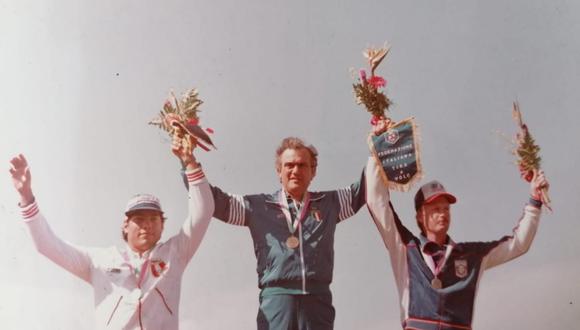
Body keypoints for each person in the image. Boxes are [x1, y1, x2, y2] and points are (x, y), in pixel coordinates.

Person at [8, 133, 214, 330]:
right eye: (139, 219)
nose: (147, 225)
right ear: (125, 225)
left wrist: (189, 161)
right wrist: (26, 196)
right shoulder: (99, 260)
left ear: (162, 225)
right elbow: (47, 245)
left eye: (153, 219)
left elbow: (203, 212)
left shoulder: (175, 253)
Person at [365, 129, 549, 330]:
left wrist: (535, 200)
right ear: (420, 215)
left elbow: (518, 245)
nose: (442, 214)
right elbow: (377, 202)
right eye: (435, 209)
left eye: (446, 208)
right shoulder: (405, 247)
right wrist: (379, 147)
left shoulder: (471, 256)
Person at [194, 136, 366, 330]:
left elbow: (365, 189)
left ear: (313, 171)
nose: (295, 171)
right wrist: (189, 163)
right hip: (276, 300)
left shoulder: (329, 203)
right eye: (289, 165)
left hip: (317, 301)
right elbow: (214, 202)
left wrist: (380, 140)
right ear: (279, 171)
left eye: (302, 165)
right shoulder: (257, 207)